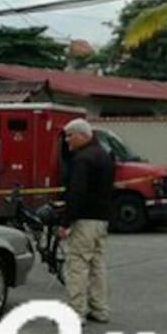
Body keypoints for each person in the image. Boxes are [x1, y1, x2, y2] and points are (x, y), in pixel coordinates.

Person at [56, 118, 115, 323]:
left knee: (77, 264)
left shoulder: (82, 159)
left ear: (83, 135)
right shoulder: (104, 155)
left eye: (70, 135)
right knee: (97, 264)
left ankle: (76, 310)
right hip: (101, 218)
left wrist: (65, 222)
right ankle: (100, 308)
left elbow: (77, 193)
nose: (67, 141)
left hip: (84, 219)